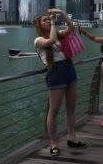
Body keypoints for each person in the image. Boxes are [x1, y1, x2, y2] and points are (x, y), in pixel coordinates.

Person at [34, 9, 87, 157]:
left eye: (47, 19)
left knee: (71, 108)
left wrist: (61, 12)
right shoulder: (38, 40)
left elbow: (71, 28)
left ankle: (72, 138)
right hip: (56, 72)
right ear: (39, 25)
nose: (47, 20)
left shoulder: (57, 35)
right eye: (43, 20)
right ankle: (53, 143)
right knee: (54, 110)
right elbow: (50, 41)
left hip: (69, 69)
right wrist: (52, 22)